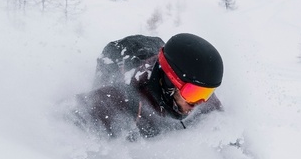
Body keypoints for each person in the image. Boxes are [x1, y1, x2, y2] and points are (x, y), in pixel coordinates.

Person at [74, 33, 224, 139]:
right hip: (116, 56)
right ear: (170, 82)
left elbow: (227, 132)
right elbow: (66, 123)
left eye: (206, 93)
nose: (199, 103)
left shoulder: (201, 97)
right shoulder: (121, 102)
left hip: (155, 51)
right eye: (193, 93)